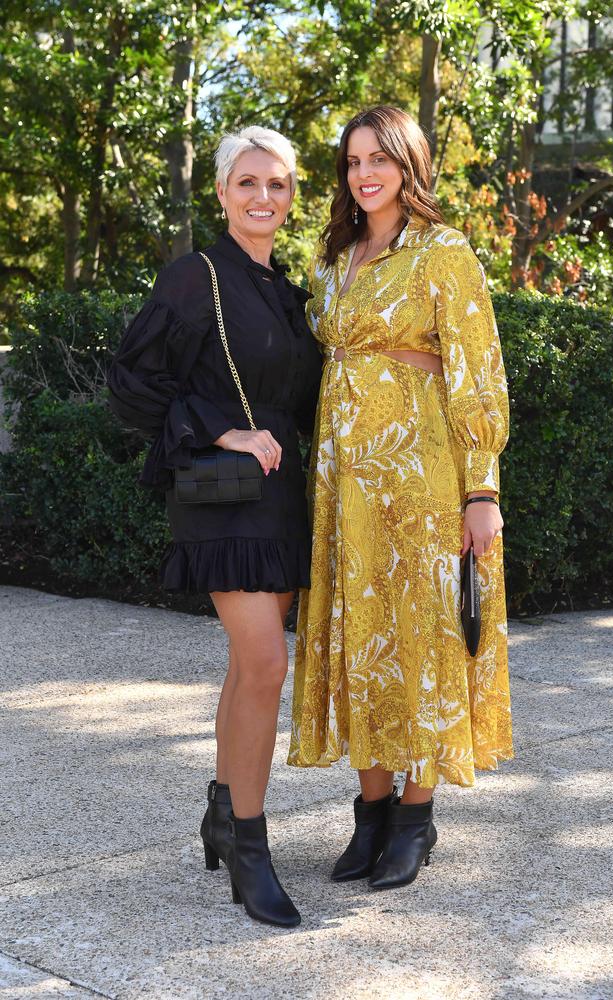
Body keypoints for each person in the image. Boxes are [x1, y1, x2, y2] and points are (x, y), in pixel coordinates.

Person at [289, 106, 514, 889]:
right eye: (353, 162)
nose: (364, 174)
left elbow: (476, 372)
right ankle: (371, 813)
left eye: (379, 159)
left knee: (423, 638)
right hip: (342, 486)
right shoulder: (335, 255)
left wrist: (481, 487)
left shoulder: (443, 252)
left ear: (409, 165)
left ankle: (416, 820)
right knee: (362, 637)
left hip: (421, 478)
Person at [108, 126, 322, 927]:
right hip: (221, 493)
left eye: (278, 185)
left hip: (282, 496)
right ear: (222, 191)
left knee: (249, 668)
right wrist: (221, 427)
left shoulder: (287, 288)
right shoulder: (194, 277)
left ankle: (224, 812)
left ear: (292, 196)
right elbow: (130, 386)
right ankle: (252, 848)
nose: (263, 197)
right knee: (267, 665)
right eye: (248, 182)